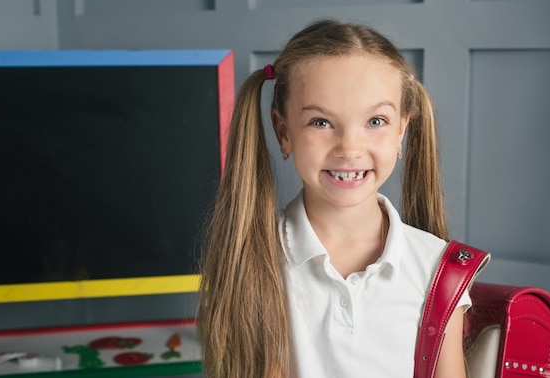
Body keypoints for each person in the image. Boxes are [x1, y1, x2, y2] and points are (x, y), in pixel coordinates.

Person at [197, 19, 470, 378]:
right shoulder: (249, 258)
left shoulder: (439, 268)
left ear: (402, 130)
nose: (350, 148)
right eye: (321, 123)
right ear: (284, 132)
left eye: (376, 121)